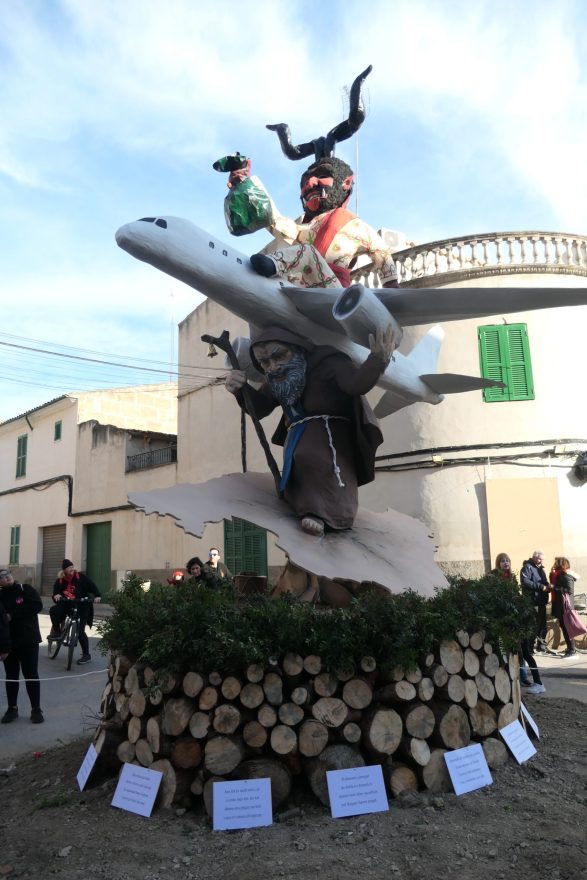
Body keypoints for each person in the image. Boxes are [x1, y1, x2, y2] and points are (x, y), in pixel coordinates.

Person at [225, 324, 393, 536]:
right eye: (264, 362)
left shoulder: (328, 363)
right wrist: (241, 389)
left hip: (331, 435)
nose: (273, 367)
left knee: (316, 459)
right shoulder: (276, 379)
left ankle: (328, 513)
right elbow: (260, 408)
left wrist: (377, 360)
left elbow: (355, 384)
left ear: (297, 349)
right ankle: (305, 508)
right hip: (296, 436)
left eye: (279, 356)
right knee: (298, 465)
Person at [0, 568, 44, 723]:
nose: (6, 577)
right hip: (9, 643)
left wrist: (12, 614)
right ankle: (12, 708)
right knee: (11, 676)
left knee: (31, 674)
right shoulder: (1, 596)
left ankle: (36, 709)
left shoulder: (25, 589)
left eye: (7, 574)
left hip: (29, 640)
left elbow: (36, 605)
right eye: (2, 577)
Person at [489, 553, 532, 686]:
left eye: (507, 560)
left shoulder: (512, 577)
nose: (506, 563)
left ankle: (523, 676)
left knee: (518, 649)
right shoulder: (492, 576)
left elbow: (515, 594)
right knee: (502, 648)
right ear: (498, 563)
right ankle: (505, 676)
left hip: (513, 618)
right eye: (503, 561)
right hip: (499, 617)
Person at [49, 559, 101, 665]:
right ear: (64, 570)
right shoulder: (60, 581)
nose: (71, 569)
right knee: (53, 610)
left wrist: (97, 596)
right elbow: (55, 594)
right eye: (69, 567)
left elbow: (92, 586)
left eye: (72, 566)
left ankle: (86, 655)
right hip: (67, 604)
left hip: (82, 605)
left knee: (81, 631)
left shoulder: (80, 577)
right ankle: (57, 632)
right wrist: (57, 595)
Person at [520, 550, 550, 653]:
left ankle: (541, 646)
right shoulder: (527, 567)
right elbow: (525, 582)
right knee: (533, 626)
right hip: (532, 601)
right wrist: (541, 587)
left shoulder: (541, 569)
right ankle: (529, 648)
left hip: (541, 601)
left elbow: (544, 582)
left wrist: (548, 586)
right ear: (534, 557)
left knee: (542, 625)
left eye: (542, 559)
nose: (542, 561)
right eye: (540, 559)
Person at [550, 557, 578, 658]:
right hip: (560, 605)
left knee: (567, 628)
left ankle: (572, 650)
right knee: (564, 627)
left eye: (556, 562)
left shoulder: (566, 574)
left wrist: (555, 588)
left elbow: (569, 590)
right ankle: (570, 648)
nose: (554, 564)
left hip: (565, 606)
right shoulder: (559, 574)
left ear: (561, 564)